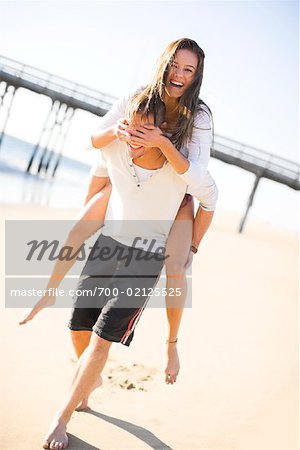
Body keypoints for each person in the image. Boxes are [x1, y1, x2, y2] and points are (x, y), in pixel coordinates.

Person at [40, 88, 217, 448]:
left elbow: (209, 196)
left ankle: (62, 416)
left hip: (148, 254)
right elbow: (98, 163)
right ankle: (88, 381)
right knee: (78, 328)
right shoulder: (118, 146)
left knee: (105, 339)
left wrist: (192, 244)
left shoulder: (179, 166)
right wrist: (93, 215)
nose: (135, 140)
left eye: (144, 133)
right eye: (132, 131)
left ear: (161, 131)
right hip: (113, 242)